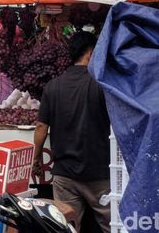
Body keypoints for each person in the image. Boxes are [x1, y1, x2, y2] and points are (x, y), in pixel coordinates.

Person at [33, 31, 111, 233]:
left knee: (66, 227)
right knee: (112, 226)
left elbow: (41, 127)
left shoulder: (53, 86)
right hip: (100, 175)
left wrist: (36, 159)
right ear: (92, 54)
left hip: (64, 175)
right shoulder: (101, 85)